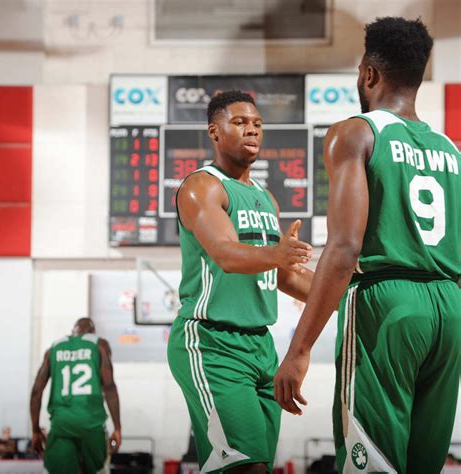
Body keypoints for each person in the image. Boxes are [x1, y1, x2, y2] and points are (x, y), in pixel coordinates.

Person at [274, 16, 460, 474]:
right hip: (450, 307)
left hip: (386, 302)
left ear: (369, 73)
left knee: (371, 463)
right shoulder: (451, 150)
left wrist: (299, 349)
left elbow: (344, 249)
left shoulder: (356, 132)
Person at [167, 90, 314, 474]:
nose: (252, 130)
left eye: (257, 124)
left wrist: (345, 289)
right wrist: (277, 254)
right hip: (211, 341)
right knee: (244, 468)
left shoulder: (266, 199)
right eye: (240, 122)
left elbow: (284, 274)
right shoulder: (202, 186)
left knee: (256, 466)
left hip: (261, 346)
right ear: (214, 132)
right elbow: (227, 254)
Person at [30, 317, 122, 474]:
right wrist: (117, 428)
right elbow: (109, 387)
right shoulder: (100, 344)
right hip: (91, 422)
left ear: (73, 331)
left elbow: (36, 392)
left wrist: (35, 430)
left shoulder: (53, 349)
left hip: (62, 423)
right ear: (92, 332)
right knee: (99, 470)